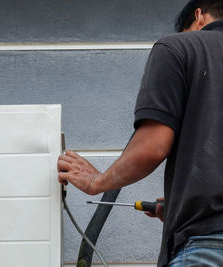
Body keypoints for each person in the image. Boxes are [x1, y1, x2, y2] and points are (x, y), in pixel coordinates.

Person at [57, 0, 223, 266]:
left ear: (199, 17)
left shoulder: (179, 47)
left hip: (207, 244)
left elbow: (152, 147)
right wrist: (184, 204)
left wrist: (95, 181)